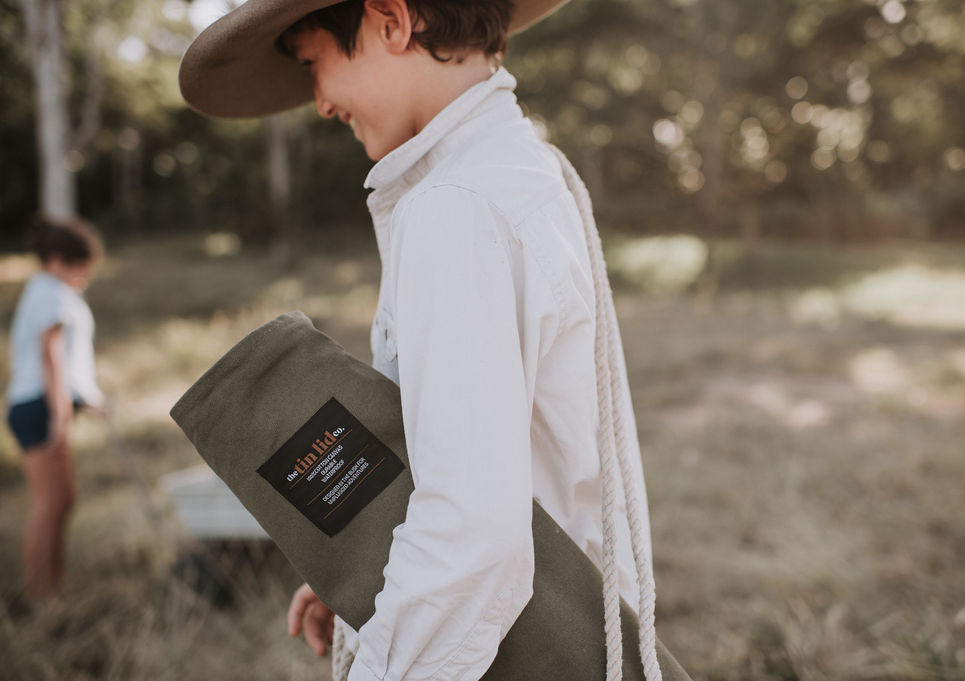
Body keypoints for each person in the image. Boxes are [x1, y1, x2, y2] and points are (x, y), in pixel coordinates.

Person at [179, 1, 668, 679]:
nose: (319, 102)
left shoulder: (453, 204)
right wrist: (376, 587)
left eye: (314, 63)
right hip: (575, 622)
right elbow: (485, 460)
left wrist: (388, 659)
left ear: (390, 21)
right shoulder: (523, 167)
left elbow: (472, 535)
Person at [6, 216, 104, 600]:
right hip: (40, 405)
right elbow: (51, 356)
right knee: (50, 504)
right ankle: (40, 596)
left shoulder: (48, 290)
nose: (84, 275)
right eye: (80, 266)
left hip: (46, 402)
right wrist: (61, 411)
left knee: (63, 500)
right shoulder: (50, 293)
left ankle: (54, 587)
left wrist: (87, 397)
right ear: (58, 260)